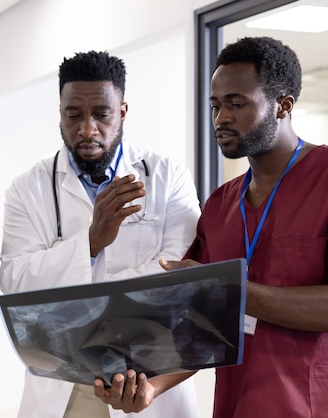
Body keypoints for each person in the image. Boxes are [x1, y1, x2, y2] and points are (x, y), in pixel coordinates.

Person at [96, 36, 328, 418]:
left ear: (283, 106)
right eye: (216, 106)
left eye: (237, 104)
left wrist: (225, 289)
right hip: (234, 406)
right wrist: (151, 386)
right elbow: (201, 324)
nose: (221, 119)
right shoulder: (221, 205)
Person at [0, 50, 202, 418]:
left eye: (101, 114)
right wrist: (91, 242)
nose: (87, 129)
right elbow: (14, 282)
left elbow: (182, 280)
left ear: (122, 111)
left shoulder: (167, 177)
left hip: (149, 376)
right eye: (73, 115)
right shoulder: (26, 188)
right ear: (59, 111)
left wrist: (71, 286)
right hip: (69, 380)